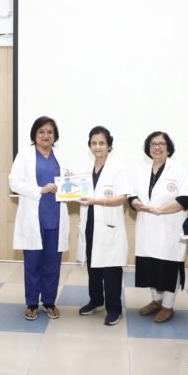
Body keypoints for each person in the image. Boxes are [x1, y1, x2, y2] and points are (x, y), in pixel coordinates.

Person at [9, 116, 69, 321]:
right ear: (34, 134)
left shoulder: (61, 157)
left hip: (56, 217)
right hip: (33, 218)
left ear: (55, 136)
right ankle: (32, 303)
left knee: (53, 263)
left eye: (50, 132)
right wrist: (40, 190)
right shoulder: (24, 155)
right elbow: (14, 182)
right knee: (33, 263)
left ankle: (49, 302)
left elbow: (68, 183)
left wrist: (71, 184)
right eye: (41, 131)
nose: (46, 135)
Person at [129, 131, 188, 323]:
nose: (157, 147)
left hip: (169, 227)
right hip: (147, 227)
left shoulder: (178, 169)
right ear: (148, 148)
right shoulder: (141, 170)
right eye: (153, 144)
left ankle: (167, 306)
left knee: (169, 266)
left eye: (161, 144)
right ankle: (156, 301)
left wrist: (160, 210)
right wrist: (134, 202)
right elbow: (132, 195)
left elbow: (185, 199)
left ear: (168, 148)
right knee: (150, 264)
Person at [77, 126, 129, 326]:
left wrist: (97, 201)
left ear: (109, 145)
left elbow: (123, 198)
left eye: (101, 143)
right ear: (89, 145)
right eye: (94, 143)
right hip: (90, 223)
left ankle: (114, 308)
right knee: (93, 266)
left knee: (111, 269)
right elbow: (78, 192)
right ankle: (96, 300)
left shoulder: (118, 168)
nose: (97, 147)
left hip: (109, 225)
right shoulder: (85, 168)